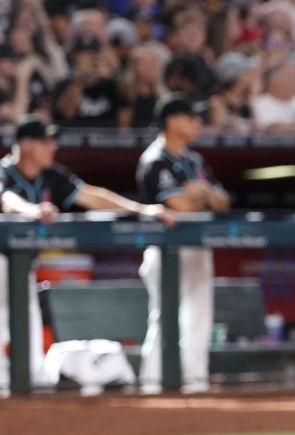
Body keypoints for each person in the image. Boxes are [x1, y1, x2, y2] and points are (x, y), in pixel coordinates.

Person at [0, 115, 174, 392]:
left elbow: (91, 196)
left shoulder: (50, 175)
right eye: (46, 142)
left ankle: (29, 400)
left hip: (22, 267)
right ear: (26, 144)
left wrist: (141, 209)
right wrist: (33, 211)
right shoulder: (5, 171)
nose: (52, 147)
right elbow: (7, 199)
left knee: (30, 331)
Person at [135, 93, 230, 394]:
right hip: (166, 249)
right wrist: (202, 196)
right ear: (172, 121)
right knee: (164, 319)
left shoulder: (194, 159)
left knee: (200, 320)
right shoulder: (155, 158)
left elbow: (223, 202)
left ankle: (196, 382)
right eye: (191, 117)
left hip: (198, 248)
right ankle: (153, 385)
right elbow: (179, 206)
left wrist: (200, 191)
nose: (197, 122)